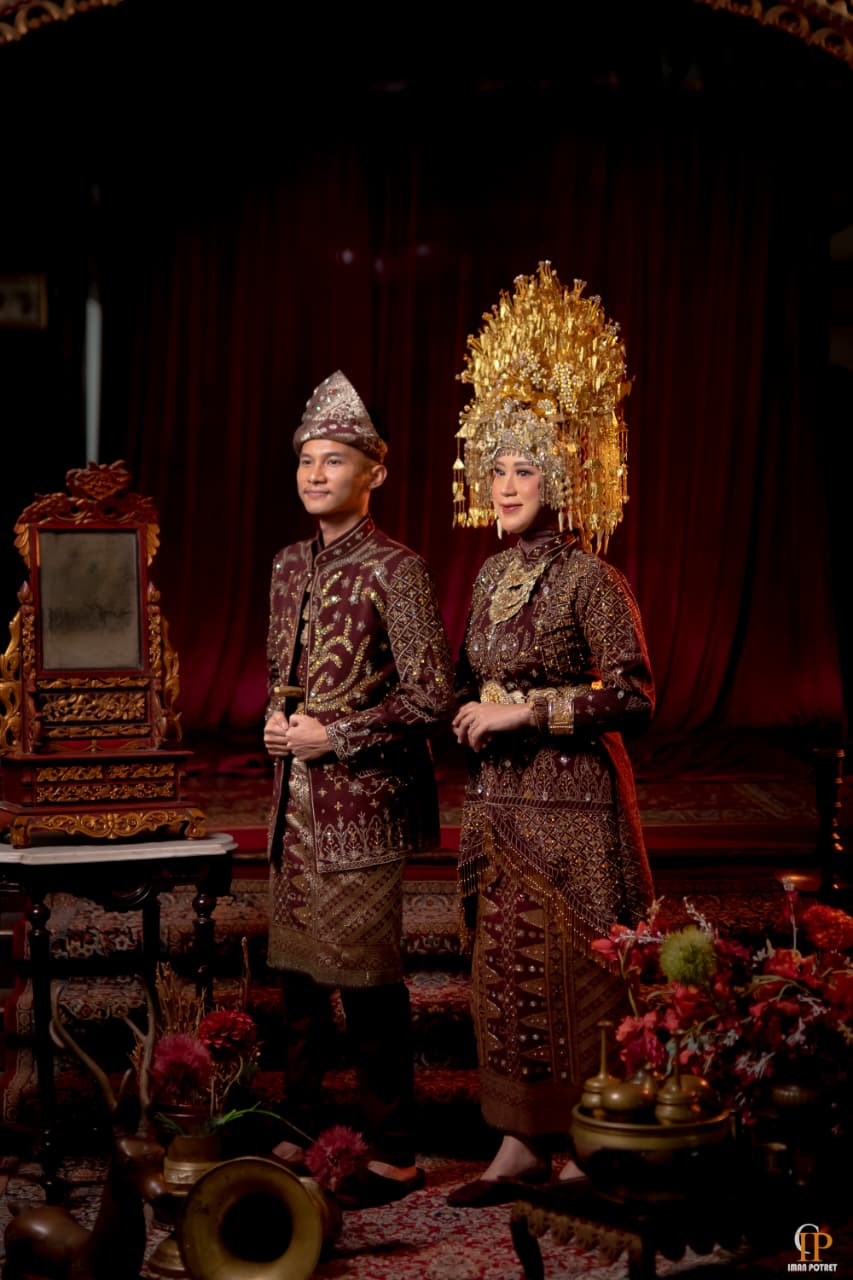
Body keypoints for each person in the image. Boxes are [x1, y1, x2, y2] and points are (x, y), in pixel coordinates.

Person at [447, 264, 655, 1206]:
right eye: (494, 468)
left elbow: (634, 697)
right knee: (505, 968)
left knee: (577, 972)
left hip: (575, 815)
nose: (502, 486)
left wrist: (525, 712)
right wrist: (460, 707)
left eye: (522, 469)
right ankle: (517, 1142)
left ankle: (586, 1142)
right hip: (498, 808)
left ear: (560, 477)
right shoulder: (490, 577)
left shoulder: (590, 580)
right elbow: (465, 679)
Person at [263, 370, 454, 1205]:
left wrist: (334, 736)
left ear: (373, 472)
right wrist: (277, 724)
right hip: (291, 809)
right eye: (306, 459)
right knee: (297, 986)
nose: (315, 474)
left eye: (332, 460)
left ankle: (395, 1150)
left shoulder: (396, 569)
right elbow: (286, 678)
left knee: (368, 985)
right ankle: (299, 1125)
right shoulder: (285, 566)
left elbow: (432, 696)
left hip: (363, 810)